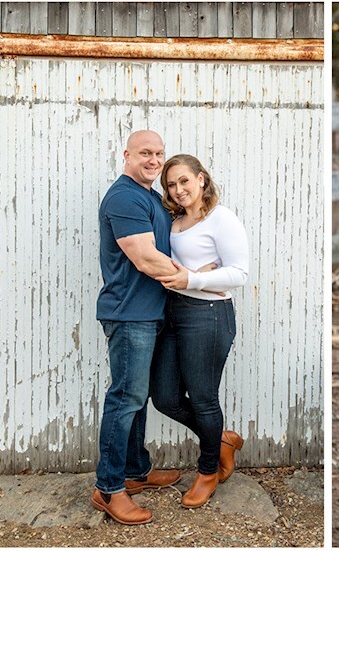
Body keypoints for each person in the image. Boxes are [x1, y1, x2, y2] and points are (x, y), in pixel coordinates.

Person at [150, 154, 249, 509]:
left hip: (208, 315)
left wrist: (194, 278)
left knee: (204, 398)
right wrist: (189, 277)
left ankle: (208, 470)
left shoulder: (221, 219)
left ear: (202, 179)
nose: (178, 190)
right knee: (164, 397)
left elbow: (239, 273)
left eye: (184, 181)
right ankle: (220, 440)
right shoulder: (174, 221)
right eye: (171, 185)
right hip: (174, 313)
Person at [93, 130, 182, 525]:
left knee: (137, 397)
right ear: (126, 154)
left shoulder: (148, 196)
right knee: (125, 398)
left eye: (159, 153)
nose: (154, 159)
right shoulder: (124, 196)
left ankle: (135, 471)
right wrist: (195, 278)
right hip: (130, 315)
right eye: (145, 152)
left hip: (149, 313)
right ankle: (108, 489)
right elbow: (146, 258)